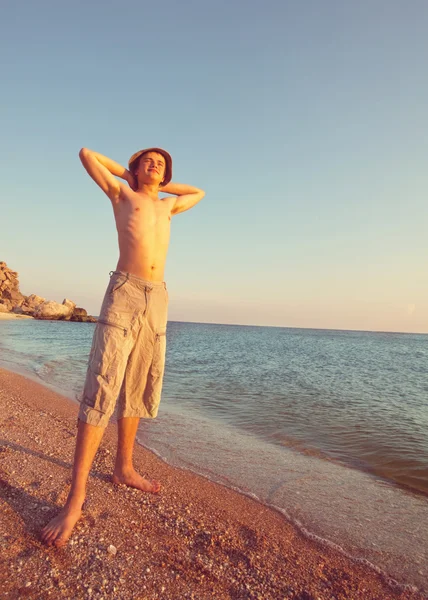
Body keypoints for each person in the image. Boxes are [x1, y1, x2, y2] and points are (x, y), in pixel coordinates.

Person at [41, 147, 205, 547]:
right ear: (132, 168)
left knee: (137, 383)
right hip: (125, 290)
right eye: (148, 160)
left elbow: (198, 192)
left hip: (158, 297)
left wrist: (161, 182)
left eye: (161, 164)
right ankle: (74, 499)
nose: (155, 165)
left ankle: (124, 467)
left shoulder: (167, 207)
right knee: (103, 385)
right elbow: (85, 155)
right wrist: (131, 177)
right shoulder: (122, 195)